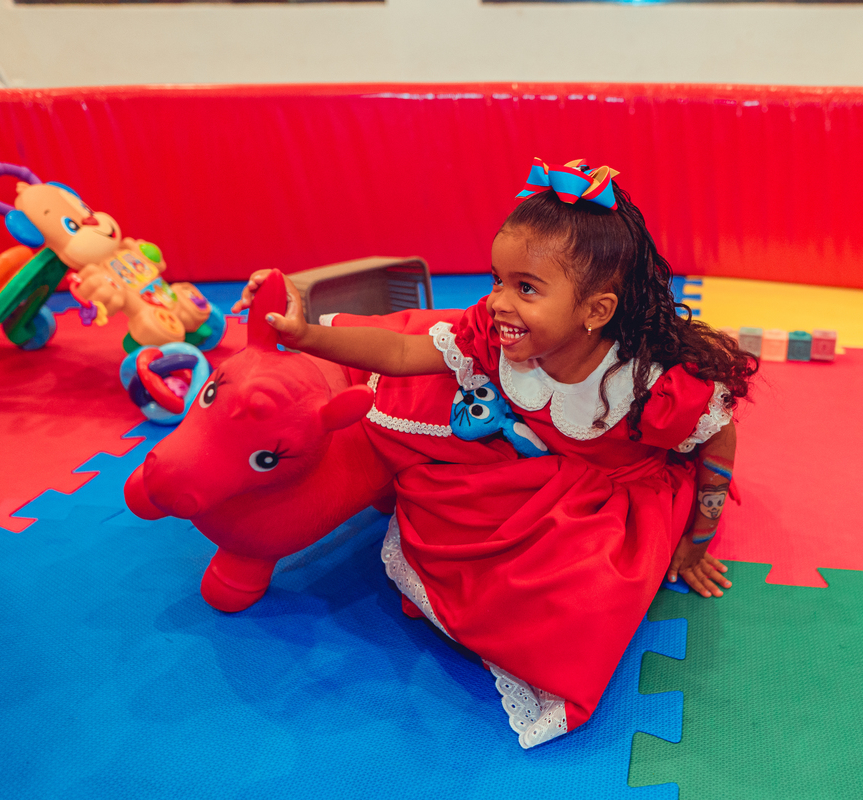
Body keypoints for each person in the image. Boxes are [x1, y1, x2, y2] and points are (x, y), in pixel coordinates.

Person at [233, 158, 758, 748]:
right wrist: (309, 337)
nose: (500, 302)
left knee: (583, 593)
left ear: (596, 311)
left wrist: (695, 541)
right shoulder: (497, 329)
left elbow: (719, 438)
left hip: (615, 489)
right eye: (497, 280)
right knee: (447, 510)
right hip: (536, 472)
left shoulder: (648, 383)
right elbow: (404, 353)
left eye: (526, 288)